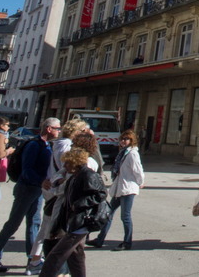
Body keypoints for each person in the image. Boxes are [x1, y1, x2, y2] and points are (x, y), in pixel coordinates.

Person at [0, 117, 60, 274]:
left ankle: (33, 259)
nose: (59, 131)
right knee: (13, 224)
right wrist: (41, 181)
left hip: (37, 190)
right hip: (27, 189)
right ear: (48, 129)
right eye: (57, 128)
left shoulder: (46, 145)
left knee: (34, 224)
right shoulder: (34, 145)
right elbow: (27, 170)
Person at [26, 118, 90, 274]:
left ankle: (36, 260)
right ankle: (48, 266)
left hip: (53, 190)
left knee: (48, 229)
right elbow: (68, 172)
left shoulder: (57, 144)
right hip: (59, 193)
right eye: (84, 132)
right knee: (56, 232)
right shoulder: (67, 148)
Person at [38, 147, 107, 277]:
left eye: (68, 163)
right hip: (73, 221)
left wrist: (79, 204)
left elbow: (101, 194)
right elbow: (61, 194)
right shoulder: (74, 176)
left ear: (76, 162)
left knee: (55, 256)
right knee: (76, 256)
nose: (65, 166)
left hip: (81, 222)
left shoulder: (88, 175)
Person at [87, 130, 143, 250]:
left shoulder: (132, 154)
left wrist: (140, 182)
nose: (123, 141)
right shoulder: (123, 152)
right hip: (119, 188)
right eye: (122, 139)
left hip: (128, 189)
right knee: (108, 214)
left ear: (132, 140)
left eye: (126, 139)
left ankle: (127, 242)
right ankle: (100, 239)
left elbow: (138, 170)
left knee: (125, 216)